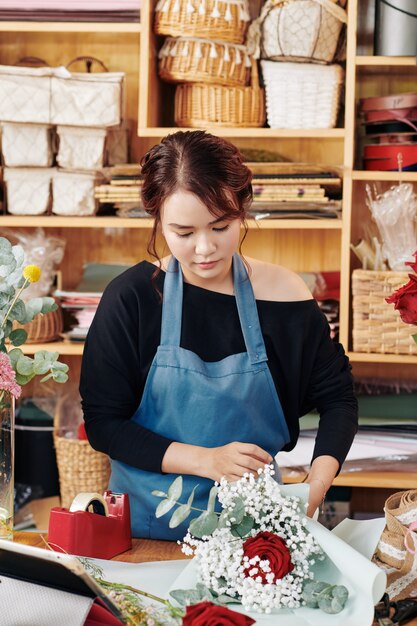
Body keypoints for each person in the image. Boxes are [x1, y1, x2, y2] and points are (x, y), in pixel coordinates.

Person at [79, 130, 358, 540]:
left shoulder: (284, 295)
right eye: (184, 233)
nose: (205, 248)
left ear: (243, 208)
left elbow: (338, 399)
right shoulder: (132, 298)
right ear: (157, 219)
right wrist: (204, 461)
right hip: (144, 535)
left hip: (256, 541)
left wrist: (314, 489)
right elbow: (104, 424)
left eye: (221, 226)